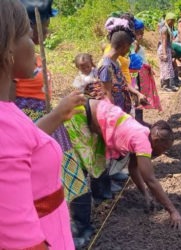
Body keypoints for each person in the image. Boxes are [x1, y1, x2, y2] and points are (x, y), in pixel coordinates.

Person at [0, 0, 85, 248]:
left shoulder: (8, 115)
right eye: (28, 33)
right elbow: (23, 243)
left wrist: (57, 114)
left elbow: (21, 144)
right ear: (8, 49)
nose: (35, 42)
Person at [65, 99, 181, 230]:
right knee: (81, 168)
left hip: (95, 117)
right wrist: (172, 211)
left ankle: (99, 198)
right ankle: (80, 227)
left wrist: (145, 194)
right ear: (156, 141)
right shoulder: (142, 141)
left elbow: (133, 169)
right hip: (79, 115)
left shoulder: (144, 133)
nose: (163, 153)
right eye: (164, 149)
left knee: (98, 164)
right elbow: (150, 180)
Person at [131, 18, 162, 122]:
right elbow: (133, 58)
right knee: (137, 95)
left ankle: (139, 120)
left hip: (138, 73)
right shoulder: (134, 43)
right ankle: (138, 121)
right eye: (140, 32)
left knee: (138, 96)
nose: (142, 34)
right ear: (135, 32)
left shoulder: (135, 43)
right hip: (135, 74)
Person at [159, 12, 178, 92]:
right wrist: (164, 53)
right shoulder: (165, 29)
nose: (173, 23)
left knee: (168, 67)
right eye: (173, 21)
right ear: (169, 20)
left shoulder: (168, 28)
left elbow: (168, 42)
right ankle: (165, 86)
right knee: (165, 68)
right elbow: (163, 42)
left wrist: (171, 49)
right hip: (164, 49)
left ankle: (168, 85)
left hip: (167, 49)